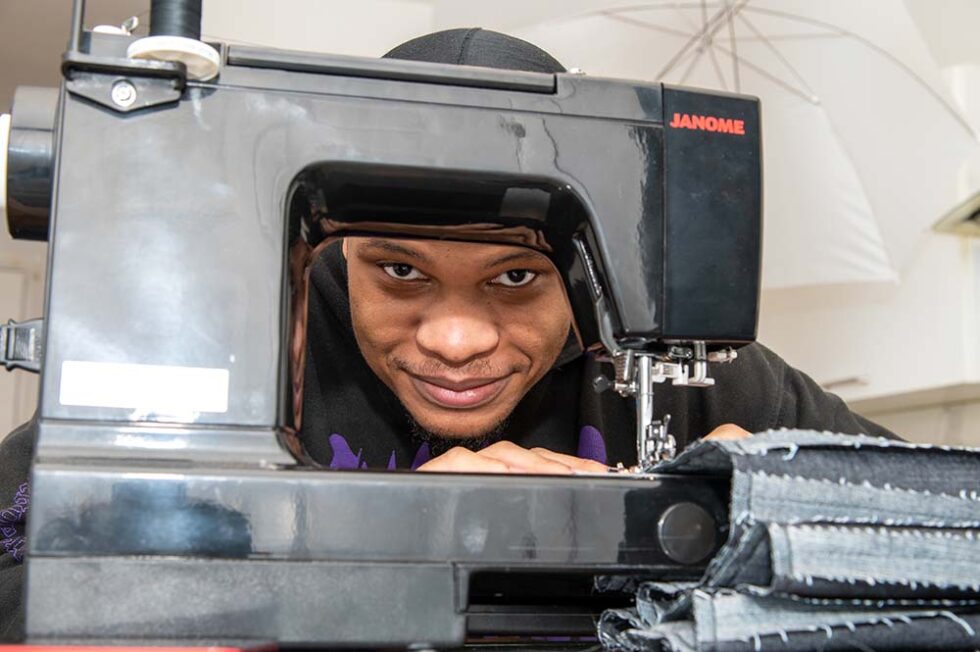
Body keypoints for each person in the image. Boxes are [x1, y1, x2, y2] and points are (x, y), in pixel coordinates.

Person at [0, 27, 894, 640]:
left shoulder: (703, 378)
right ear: (331, 244)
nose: (459, 340)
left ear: (590, 264)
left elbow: (937, 532)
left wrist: (777, 516)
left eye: (516, 277)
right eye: (399, 271)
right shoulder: (239, 342)